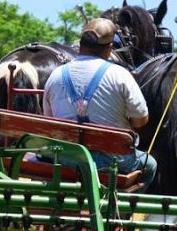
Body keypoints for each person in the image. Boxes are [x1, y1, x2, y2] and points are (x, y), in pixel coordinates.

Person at [41, 18, 157, 191]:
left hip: (65, 158)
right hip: (111, 160)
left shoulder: (56, 75)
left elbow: (49, 120)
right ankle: (121, 208)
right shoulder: (120, 75)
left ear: (80, 44)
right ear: (109, 49)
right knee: (151, 165)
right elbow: (140, 121)